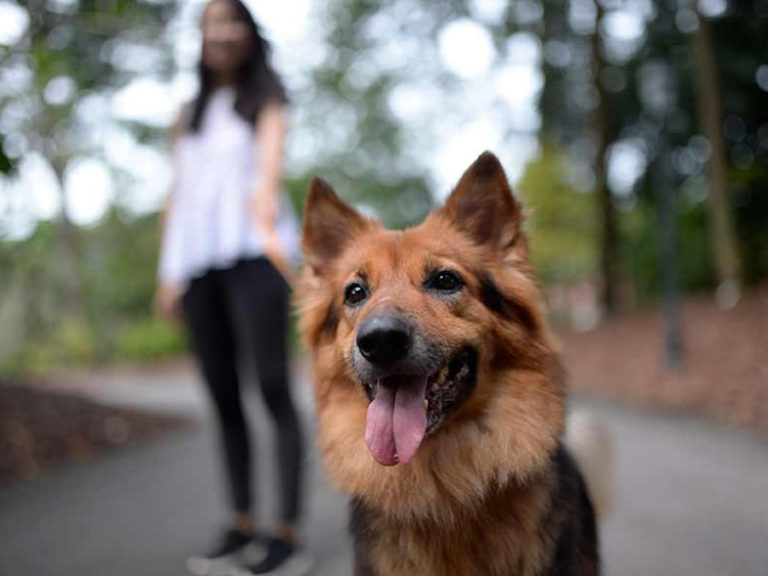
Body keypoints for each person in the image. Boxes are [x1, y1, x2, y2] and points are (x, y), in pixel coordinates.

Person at [154, 1, 307, 574]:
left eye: (231, 21)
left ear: (247, 34)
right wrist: (167, 275)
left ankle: (286, 532)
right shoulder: (188, 114)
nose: (220, 32)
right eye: (211, 23)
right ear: (200, 37)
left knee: (272, 388)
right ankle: (241, 522)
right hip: (198, 268)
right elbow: (180, 195)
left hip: (253, 257)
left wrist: (268, 219)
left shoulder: (266, 101)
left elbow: (267, 173)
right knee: (222, 398)